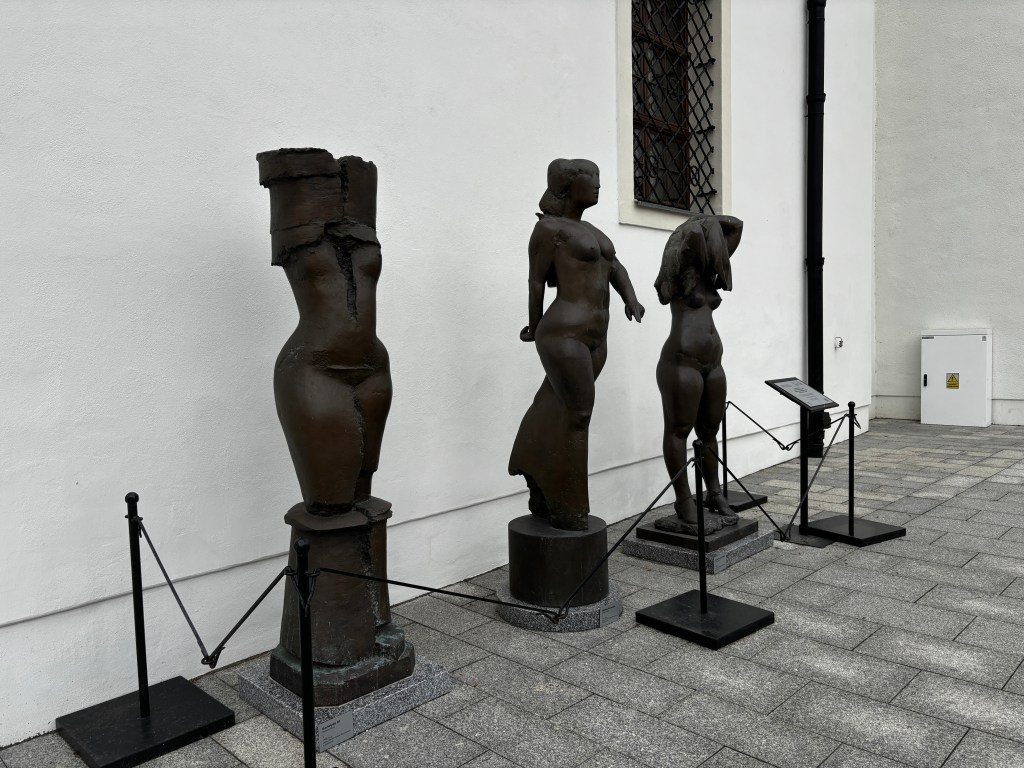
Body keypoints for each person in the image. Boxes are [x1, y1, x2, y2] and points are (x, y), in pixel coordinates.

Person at [509, 159, 645, 531]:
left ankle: (531, 464)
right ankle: (569, 505)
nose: (599, 185)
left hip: (596, 336)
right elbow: (536, 281)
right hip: (563, 332)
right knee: (579, 413)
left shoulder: (592, 232)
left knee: (554, 404)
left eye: (599, 178)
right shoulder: (548, 229)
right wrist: (534, 325)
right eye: (592, 179)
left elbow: (615, 268)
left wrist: (631, 299)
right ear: (569, 186)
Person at [258, 150, 392, 514]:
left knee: (364, 503)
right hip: (316, 368)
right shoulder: (296, 237)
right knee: (329, 507)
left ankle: (366, 555)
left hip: (374, 369)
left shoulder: (364, 235)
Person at [654, 214, 743, 535]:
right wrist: (699, 225)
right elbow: (691, 236)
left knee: (709, 431)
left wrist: (711, 225)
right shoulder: (680, 275)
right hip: (681, 362)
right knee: (679, 430)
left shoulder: (708, 275)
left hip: (713, 363)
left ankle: (714, 494)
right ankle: (683, 500)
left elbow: (736, 225)